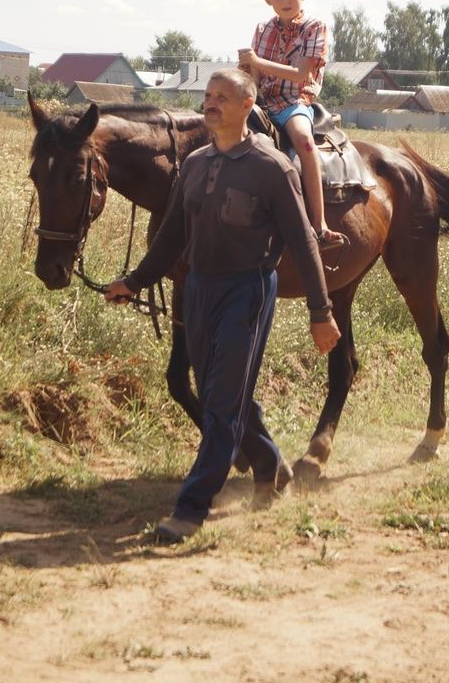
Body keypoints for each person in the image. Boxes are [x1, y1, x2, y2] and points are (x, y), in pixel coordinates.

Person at [103, 68, 340, 544]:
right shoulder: (194, 165)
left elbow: (303, 242)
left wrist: (321, 312)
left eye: (222, 97)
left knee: (221, 403)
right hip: (200, 291)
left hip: (247, 290)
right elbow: (172, 235)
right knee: (220, 392)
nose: (210, 104)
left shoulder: (273, 167)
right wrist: (134, 280)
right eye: (208, 96)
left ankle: (190, 509)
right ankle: (272, 465)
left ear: (247, 106)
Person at [238, 0, 345, 250]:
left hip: (293, 101)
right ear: (268, 1)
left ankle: (319, 225)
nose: (285, 1)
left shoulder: (314, 27)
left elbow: (300, 75)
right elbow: (256, 77)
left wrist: (257, 62)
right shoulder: (262, 29)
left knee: (303, 141)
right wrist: (248, 72)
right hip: (262, 100)